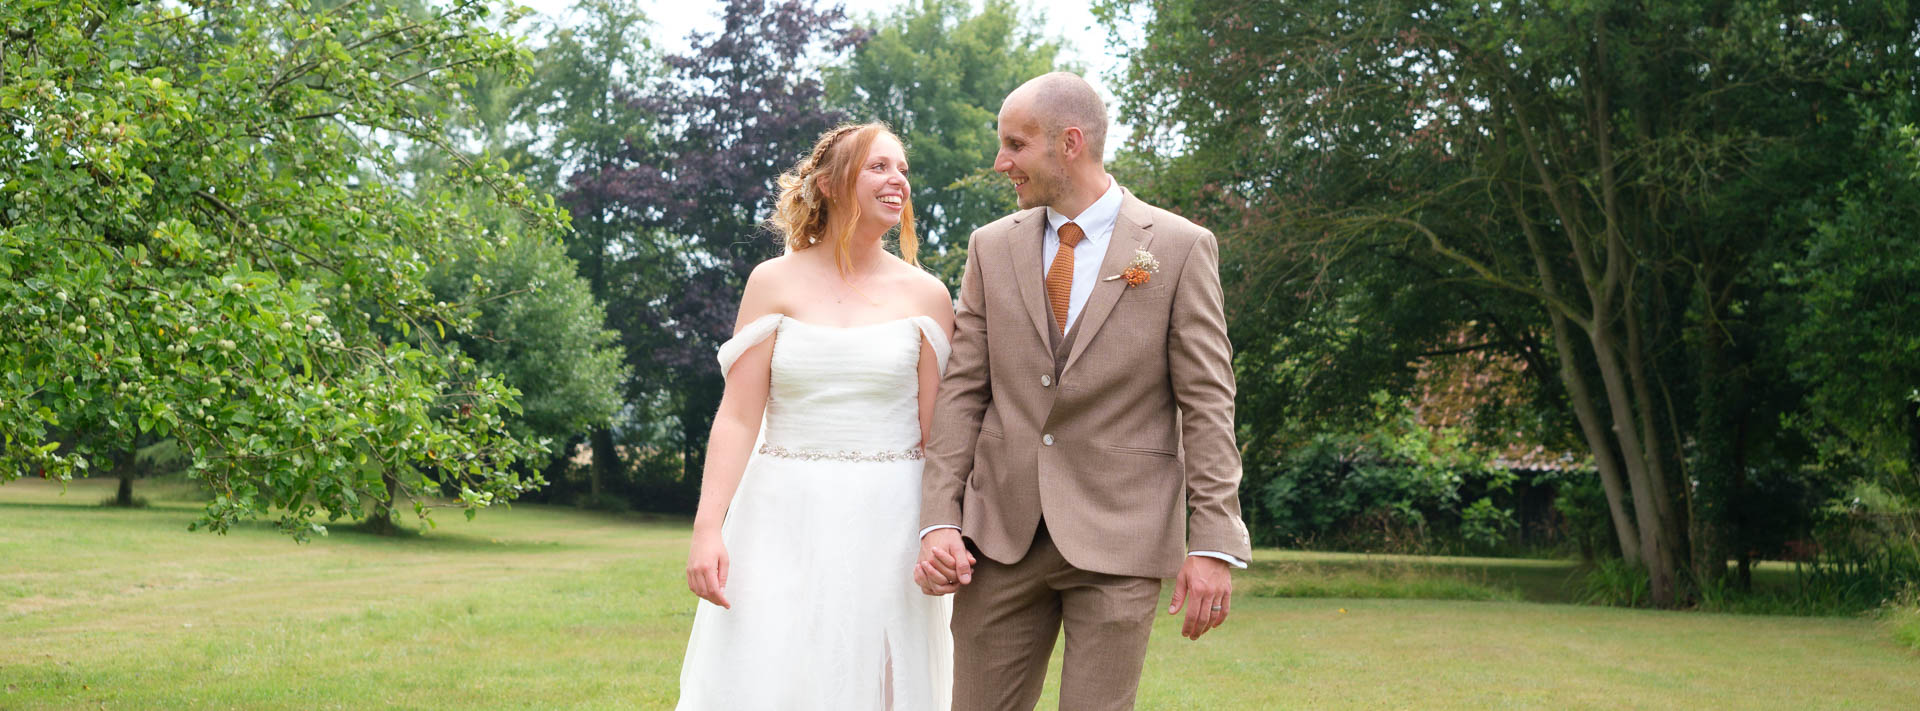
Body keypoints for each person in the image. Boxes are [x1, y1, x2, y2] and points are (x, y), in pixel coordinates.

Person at [914, 72, 1252, 710]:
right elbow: (963, 391)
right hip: (1000, 535)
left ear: (1069, 143)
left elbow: (1208, 402)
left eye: (1015, 144)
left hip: (1121, 533)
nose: (1000, 162)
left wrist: (1212, 542)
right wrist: (939, 519)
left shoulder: (1178, 249)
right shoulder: (991, 247)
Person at [676, 122, 958, 710]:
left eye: (902, 168)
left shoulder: (928, 294)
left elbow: (940, 434)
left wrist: (946, 529)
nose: (897, 180)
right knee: (774, 674)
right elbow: (737, 415)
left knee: (884, 680)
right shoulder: (772, 282)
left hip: (893, 516)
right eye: (879, 166)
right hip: (780, 513)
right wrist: (709, 528)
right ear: (829, 185)